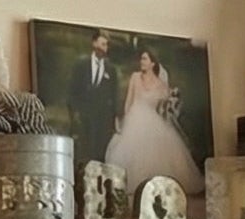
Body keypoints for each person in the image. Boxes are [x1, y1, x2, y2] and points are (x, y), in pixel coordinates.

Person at [106, 47, 201, 198]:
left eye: (145, 59)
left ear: (152, 63)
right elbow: (129, 101)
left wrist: (170, 105)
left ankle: (154, 187)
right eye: (141, 59)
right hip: (134, 120)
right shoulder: (135, 77)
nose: (141, 62)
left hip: (152, 121)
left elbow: (166, 105)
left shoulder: (160, 84)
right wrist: (124, 119)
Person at [65, 29, 119, 166]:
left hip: (102, 121)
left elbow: (114, 96)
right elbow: (72, 91)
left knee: (99, 155)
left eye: (106, 45)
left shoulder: (111, 69)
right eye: (101, 44)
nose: (103, 48)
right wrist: (75, 114)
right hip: (83, 118)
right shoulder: (80, 65)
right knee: (82, 153)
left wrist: (113, 121)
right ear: (94, 43)